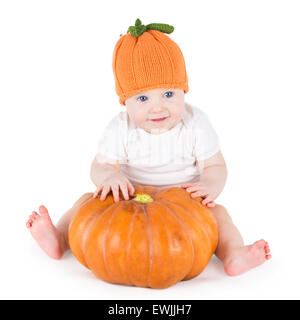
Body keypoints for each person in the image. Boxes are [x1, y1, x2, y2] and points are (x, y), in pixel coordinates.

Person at [26, 18, 271, 276]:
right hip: (127, 199)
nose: (157, 107)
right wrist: (110, 176)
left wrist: (210, 185)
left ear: (183, 90)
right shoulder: (121, 127)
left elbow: (215, 165)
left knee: (219, 216)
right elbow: (101, 165)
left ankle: (233, 254)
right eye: (142, 98)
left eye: (168, 94)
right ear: (125, 102)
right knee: (84, 203)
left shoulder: (195, 123)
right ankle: (59, 238)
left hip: (186, 203)